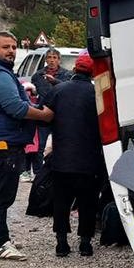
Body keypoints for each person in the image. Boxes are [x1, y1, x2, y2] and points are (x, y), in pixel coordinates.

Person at [0, 31, 52, 260]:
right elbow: (16, 108)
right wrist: (44, 115)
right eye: (5, 47)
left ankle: (2, 238)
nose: (10, 51)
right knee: (1, 196)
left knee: (2, 194)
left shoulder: (1, 72)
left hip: (4, 145)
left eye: (13, 46)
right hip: (2, 147)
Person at [45, 52, 106, 257]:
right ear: (93, 72)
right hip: (90, 160)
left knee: (61, 202)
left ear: (74, 69)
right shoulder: (98, 94)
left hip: (62, 159)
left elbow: (44, 117)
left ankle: (61, 244)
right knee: (88, 201)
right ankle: (85, 244)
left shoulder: (59, 90)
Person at [22, 48, 73, 182]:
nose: (51, 60)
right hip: (43, 114)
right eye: (49, 57)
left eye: (54, 58)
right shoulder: (38, 75)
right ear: (45, 60)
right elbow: (34, 95)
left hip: (61, 115)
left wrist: (55, 81)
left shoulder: (67, 75)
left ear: (59, 60)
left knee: (61, 144)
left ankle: (59, 172)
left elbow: (69, 90)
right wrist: (32, 92)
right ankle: (39, 174)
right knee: (40, 146)